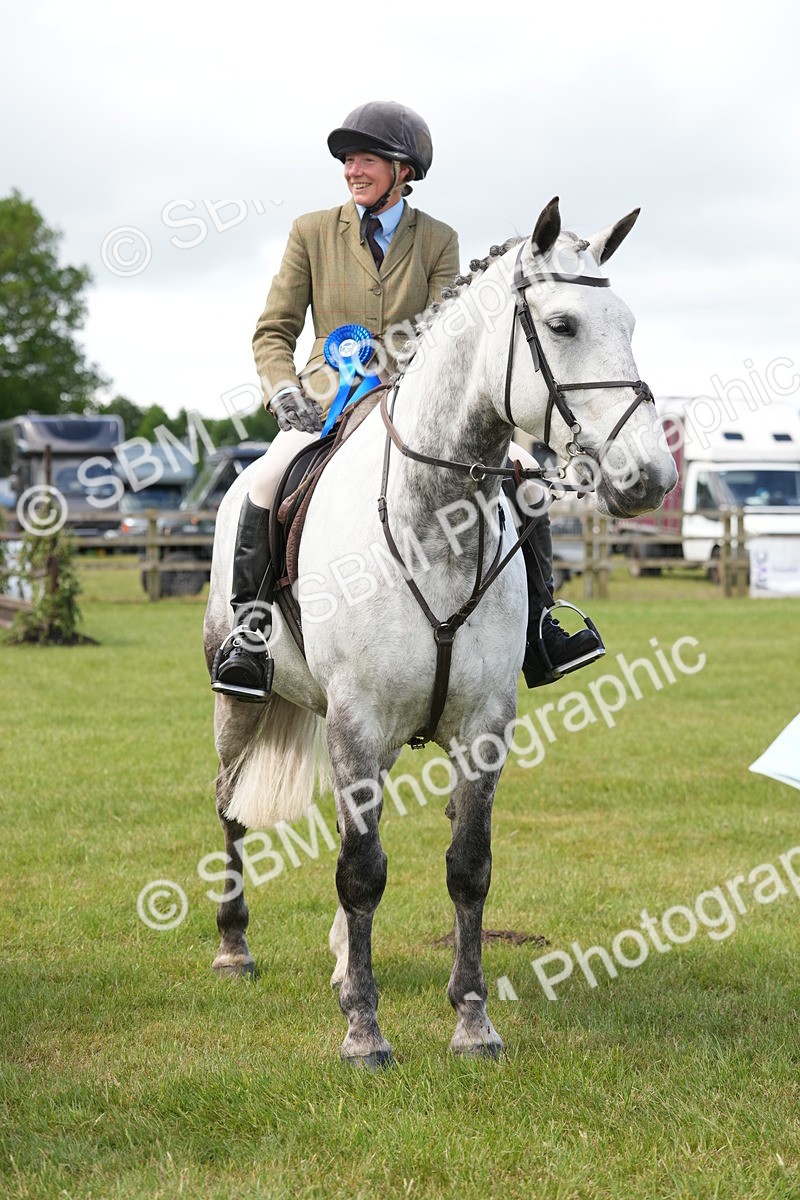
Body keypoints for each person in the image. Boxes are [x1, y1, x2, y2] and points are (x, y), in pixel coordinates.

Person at [211, 101, 602, 702]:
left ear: (403, 170)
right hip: (325, 401)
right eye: (347, 160)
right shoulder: (311, 231)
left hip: (415, 402)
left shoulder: (438, 239)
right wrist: (283, 390)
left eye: (366, 158)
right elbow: (274, 330)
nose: (352, 169)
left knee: (523, 474)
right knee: (263, 482)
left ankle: (542, 624)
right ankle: (250, 633)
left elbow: (451, 332)